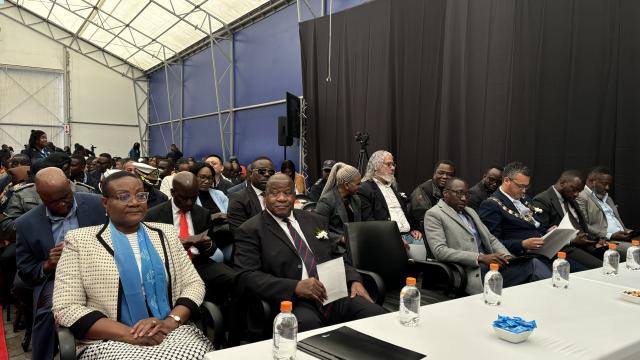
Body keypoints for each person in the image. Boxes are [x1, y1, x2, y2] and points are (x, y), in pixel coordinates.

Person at [52, 171, 212, 359]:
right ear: (105, 203)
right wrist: (130, 335)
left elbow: (194, 284)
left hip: (170, 331)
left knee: (198, 354)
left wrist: (170, 322)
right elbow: (66, 307)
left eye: (140, 195)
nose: (134, 202)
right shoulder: (80, 241)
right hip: (110, 340)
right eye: (123, 196)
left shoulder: (166, 234)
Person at [233, 174, 385, 332]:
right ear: (265, 197)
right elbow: (246, 276)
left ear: (295, 196)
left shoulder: (314, 220)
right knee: (312, 332)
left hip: (332, 293)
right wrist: (295, 286)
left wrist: (354, 279)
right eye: (274, 193)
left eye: (287, 193)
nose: (281, 198)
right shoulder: (250, 230)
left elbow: (335, 255)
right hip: (293, 302)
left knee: (376, 316)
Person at [15, 167, 104, 359]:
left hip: (101, 271)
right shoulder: (26, 224)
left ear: (69, 186)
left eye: (65, 196)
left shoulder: (97, 204)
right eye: (53, 201)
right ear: (40, 196)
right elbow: (25, 270)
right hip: (57, 279)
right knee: (50, 312)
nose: (62, 204)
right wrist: (47, 264)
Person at [425, 178, 551, 295]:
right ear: (446, 193)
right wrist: (480, 257)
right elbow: (440, 251)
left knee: (533, 263)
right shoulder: (434, 214)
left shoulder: (470, 211)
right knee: (533, 268)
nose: (464, 198)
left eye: (466, 194)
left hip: (492, 265)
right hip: (470, 271)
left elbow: (490, 238)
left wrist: (506, 256)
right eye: (459, 193)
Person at [478, 162, 596, 271]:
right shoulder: (491, 205)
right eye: (520, 186)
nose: (524, 191)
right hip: (525, 256)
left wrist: (548, 231)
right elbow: (492, 242)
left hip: (547, 250)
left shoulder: (524, 199)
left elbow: (535, 225)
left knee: (588, 272)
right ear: (506, 180)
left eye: (526, 186)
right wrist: (522, 244)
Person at [145, 172, 237, 305]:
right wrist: (175, 248)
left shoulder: (202, 213)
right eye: (184, 198)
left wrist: (208, 245)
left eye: (193, 198)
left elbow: (211, 249)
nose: (189, 202)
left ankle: (225, 320)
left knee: (233, 278)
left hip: (197, 262)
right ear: (172, 192)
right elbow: (148, 251)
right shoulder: (154, 215)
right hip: (167, 265)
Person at [532, 170, 619, 262]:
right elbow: (541, 234)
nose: (576, 194)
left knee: (614, 260)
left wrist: (596, 241)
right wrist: (571, 241)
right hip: (564, 249)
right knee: (600, 267)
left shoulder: (571, 199)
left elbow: (581, 227)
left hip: (584, 245)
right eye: (574, 189)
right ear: (562, 183)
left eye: (579, 191)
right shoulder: (542, 200)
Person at [357, 150, 424, 258]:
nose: (393, 168)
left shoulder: (394, 186)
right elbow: (368, 222)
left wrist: (414, 229)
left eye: (393, 164)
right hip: (386, 239)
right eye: (388, 164)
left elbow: (404, 211)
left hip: (410, 236)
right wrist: (392, 237)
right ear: (376, 166)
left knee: (427, 263)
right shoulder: (365, 188)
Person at [576, 167, 635, 249]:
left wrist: (628, 232)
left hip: (624, 236)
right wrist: (610, 235)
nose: (607, 188)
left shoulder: (607, 198)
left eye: (609, 184)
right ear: (592, 181)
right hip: (606, 241)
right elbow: (583, 225)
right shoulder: (581, 196)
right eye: (604, 184)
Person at [314, 163, 362, 254]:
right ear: (347, 185)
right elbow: (317, 230)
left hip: (355, 247)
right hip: (336, 250)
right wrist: (340, 239)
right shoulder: (326, 201)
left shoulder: (356, 199)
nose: (360, 187)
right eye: (358, 184)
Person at [227, 156, 274, 232]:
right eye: (261, 171)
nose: (267, 174)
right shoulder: (238, 198)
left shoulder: (278, 195)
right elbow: (239, 232)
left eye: (271, 172)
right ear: (251, 174)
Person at [409, 160, 455, 233]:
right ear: (434, 173)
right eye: (441, 173)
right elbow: (423, 218)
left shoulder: (452, 191)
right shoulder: (422, 190)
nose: (445, 177)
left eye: (449, 174)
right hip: (427, 232)